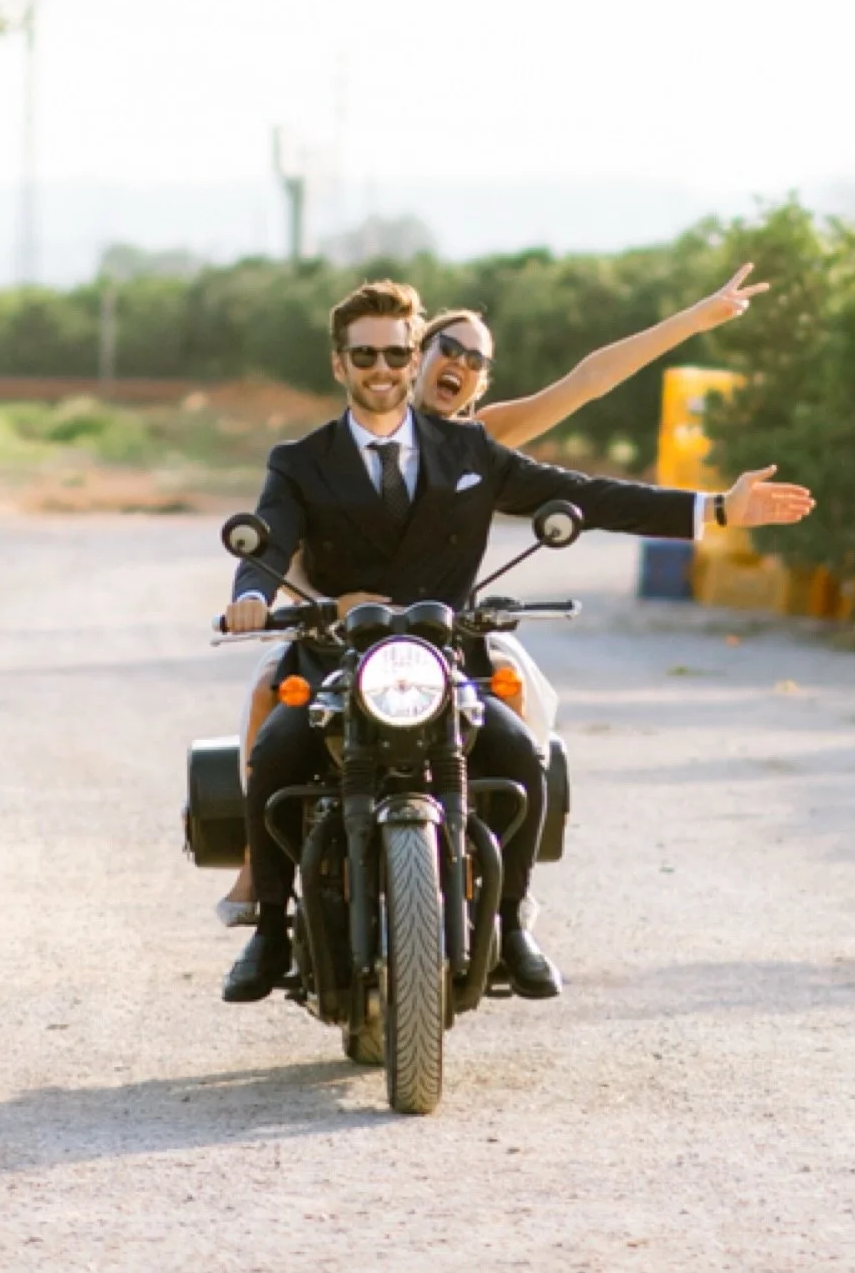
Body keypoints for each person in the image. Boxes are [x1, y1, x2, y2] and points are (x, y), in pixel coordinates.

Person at [218, 280, 814, 1005]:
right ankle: (271, 930)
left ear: (411, 360)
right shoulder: (300, 458)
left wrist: (717, 507)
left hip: (447, 662)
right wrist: (251, 594)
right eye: (365, 354)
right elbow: (270, 534)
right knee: (276, 749)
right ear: (340, 363)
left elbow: (589, 495)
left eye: (395, 353)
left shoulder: (471, 445)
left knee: (520, 757)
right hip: (340, 659)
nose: (383, 367)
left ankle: (511, 925)